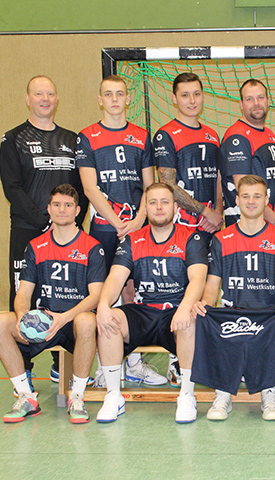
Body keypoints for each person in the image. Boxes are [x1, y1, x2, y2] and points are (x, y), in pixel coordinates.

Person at [91, 182, 208, 423]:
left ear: (175, 208)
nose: (159, 207)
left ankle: (187, 395)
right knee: (110, 318)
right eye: (153, 202)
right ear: (145, 208)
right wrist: (103, 305)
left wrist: (185, 307)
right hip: (143, 311)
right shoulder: (132, 240)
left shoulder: (191, 238)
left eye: (164, 202)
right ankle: (113, 396)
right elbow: (115, 278)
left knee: (190, 319)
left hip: (174, 312)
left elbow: (198, 279)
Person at [77, 75, 164, 386]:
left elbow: (148, 185)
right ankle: (107, 365)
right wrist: (117, 222)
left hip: (137, 227)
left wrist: (139, 219)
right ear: (99, 100)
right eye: (108, 94)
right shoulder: (87, 136)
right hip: (104, 228)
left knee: (133, 291)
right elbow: (89, 187)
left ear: (128, 99)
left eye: (120, 94)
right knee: (105, 293)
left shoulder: (141, 136)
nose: (114, 99)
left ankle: (134, 362)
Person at [0, 76, 89, 381]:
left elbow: (81, 188)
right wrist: (43, 221)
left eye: (50, 94)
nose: (45, 99)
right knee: (24, 294)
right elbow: (12, 187)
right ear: (28, 99)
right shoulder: (12, 139)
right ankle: (23, 366)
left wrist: (71, 222)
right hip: (28, 229)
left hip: (66, 233)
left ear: (56, 98)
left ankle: (59, 362)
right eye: (39, 94)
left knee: (63, 292)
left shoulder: (72, 139)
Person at [191, 175, 275, 421]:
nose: (251, 201)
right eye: (246, 196)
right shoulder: (221, 239)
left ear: (267, 200)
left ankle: (269, 393)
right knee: (205, 315)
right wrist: (204, 304)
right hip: (233, 312)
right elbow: (212, 286)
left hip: (267, 314)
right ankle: (223, 393)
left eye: (257, 196)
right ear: (237, 200)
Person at [0, 184, 105, 424]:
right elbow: (23, 292)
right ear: (49, 209)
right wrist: (22, 316)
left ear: (77, 211)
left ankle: (77, 396)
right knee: (2, 322)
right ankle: (26, 397)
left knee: (87, 321)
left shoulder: (92, 247)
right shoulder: (35, 246)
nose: (62, 210)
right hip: (44, 323)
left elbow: (96, 296)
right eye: (56, 205)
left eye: (68, 205)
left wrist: (63, 318)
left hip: (73, 323)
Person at [154, 72, 221, 386]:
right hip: (181, 226)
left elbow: (217, 178)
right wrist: (203, 210)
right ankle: (175, 360)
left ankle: (202, 354)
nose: (192, 100)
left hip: (209, 226)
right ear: (174, 98)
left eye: (197, 94)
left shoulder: (211, 134)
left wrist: (216, 212)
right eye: (185, 95)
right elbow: (167, 183)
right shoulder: (166, 134)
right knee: (180, 288)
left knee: (206, 289)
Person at [219, 78, 275, 230]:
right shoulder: (237, 137)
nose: (256, 103)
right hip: (250, 229)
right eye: (249, 99)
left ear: (268, 100)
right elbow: (244, 189)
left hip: (274, 225)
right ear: (241, 104)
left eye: (260, 97)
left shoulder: (269, 134)